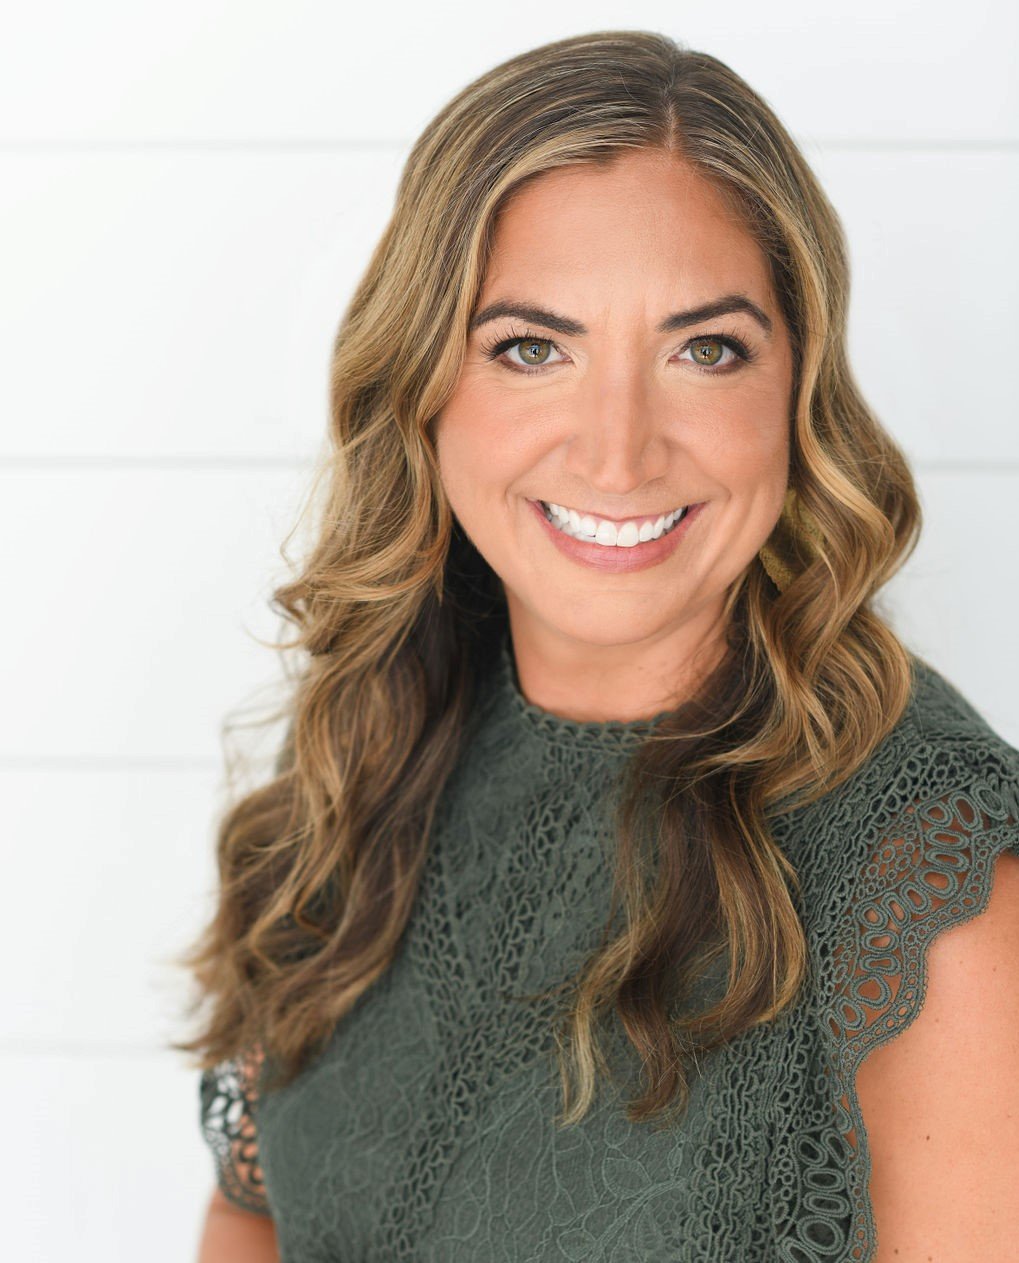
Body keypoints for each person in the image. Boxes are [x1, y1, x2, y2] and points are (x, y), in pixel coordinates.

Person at [176, 29, 1019, 1263]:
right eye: (531, 348)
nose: (616, 450)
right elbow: (251, 1217)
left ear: (796, 387)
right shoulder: (368, 751)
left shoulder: (928, 875)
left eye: (703, 350)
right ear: (421, 382)